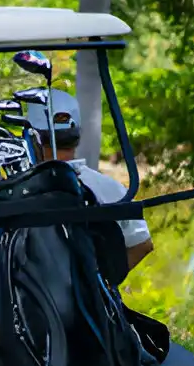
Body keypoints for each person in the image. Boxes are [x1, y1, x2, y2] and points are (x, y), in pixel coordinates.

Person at [23, 89, 155, 272]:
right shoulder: (110, 188)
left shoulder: (18, 191)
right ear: (77, 135)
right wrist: (101, 287)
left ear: (32, 138)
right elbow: (142, 243)